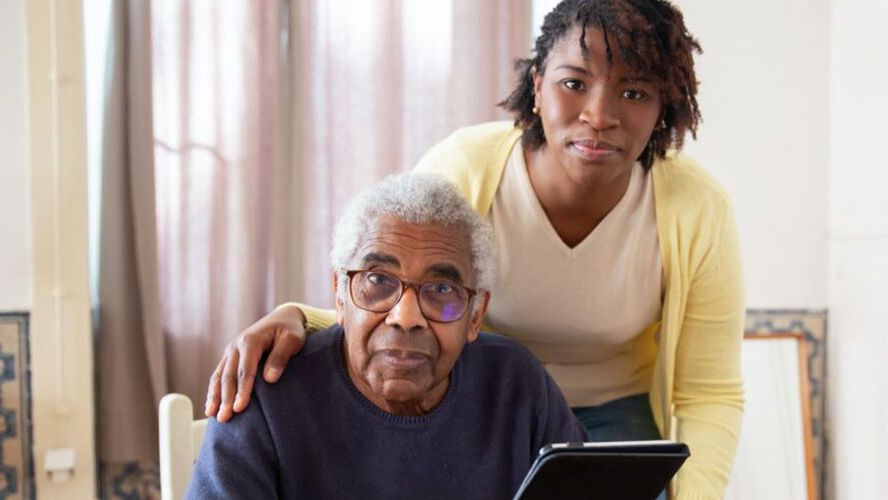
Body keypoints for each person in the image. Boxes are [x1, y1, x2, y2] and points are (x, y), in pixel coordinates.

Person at [206, 1, 744, 498]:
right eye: (574, 83)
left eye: (633, 92)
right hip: (484, 397)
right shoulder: (468, 165)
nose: (599, 114)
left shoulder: (695, 208)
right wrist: (301, 316)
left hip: (614, 409)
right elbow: (401, 277)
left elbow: (707, 391)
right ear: (538, 86)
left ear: (662, 107)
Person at [186, 173, 587, 499]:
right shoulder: (265, 393)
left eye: (442, 289)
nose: (406, 317)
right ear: (340, 296)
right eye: (378, 280)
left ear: (476, 315)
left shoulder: (516, 383)